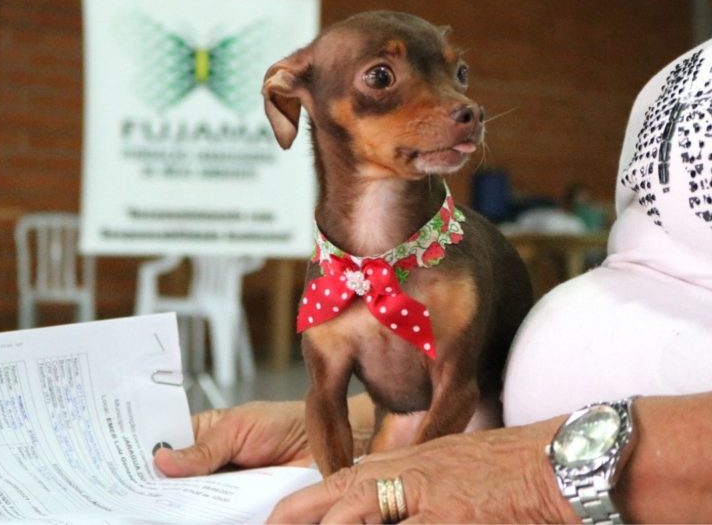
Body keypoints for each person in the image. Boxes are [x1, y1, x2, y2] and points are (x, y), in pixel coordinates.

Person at [155, 38, 712, 523]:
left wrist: (538, 477)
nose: (460, 101)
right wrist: (373, 429)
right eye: (382, 76)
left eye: (458, 75)